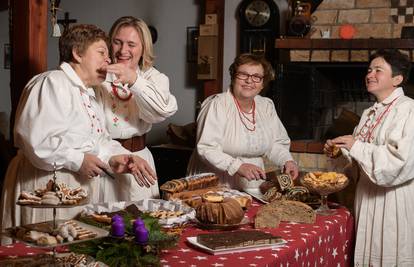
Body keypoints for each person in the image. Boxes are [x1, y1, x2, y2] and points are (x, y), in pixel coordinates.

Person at [0, 24, 156, 229]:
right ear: (77, 53)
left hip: (73, 187)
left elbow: (98, 142)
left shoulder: (89, 94)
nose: (108, 60)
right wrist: (78, 160)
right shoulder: (52, 83)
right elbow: (37, 142)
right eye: (101, 52)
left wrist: (117, 157)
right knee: (45, 251)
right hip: (43, 186)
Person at [324, 49, 414, 266]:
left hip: (392, 199)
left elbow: (400, 162)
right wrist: (340, 150)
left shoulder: (408, 110)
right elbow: (359, 154)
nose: (370, 74)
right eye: (369, 69)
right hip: (366, 195)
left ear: (397, 79)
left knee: (389, 255)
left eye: (378, 70)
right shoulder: (369, 113)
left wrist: (355, 146)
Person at [187, 53, 299, 190]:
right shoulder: (217, 104)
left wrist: (287, 160)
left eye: (256, 77)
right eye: (243, 74)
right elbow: (207, 148)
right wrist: (237, 166)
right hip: (215, 179)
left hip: (251, 181)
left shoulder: (266, 106)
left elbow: (275, 143)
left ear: (263, 83)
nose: (249, 81)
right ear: (233, 77)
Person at [95, 16, 177, 201]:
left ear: (143, 48)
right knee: (102, 221)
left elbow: (159, 113)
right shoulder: (97, 77)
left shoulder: (154, 78)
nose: (123, 50)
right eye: (117, 42)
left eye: (131, 44)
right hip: (104, 157)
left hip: (139, 158)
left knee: (142, 222)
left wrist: (134, 81)